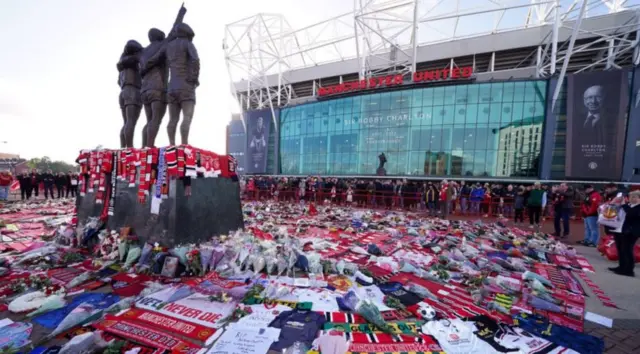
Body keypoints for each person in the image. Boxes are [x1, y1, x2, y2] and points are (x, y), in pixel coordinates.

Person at [609, 190, 640, 277]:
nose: (632, 199)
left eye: (634, 197)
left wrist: (623, 204)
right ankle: (621, 266)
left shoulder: (637, 207)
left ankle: (629, 270)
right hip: (621, 230)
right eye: (630, 197)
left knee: (628, 250)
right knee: (621, 250)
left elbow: (631, 214)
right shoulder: (629, 205)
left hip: (631, 231)